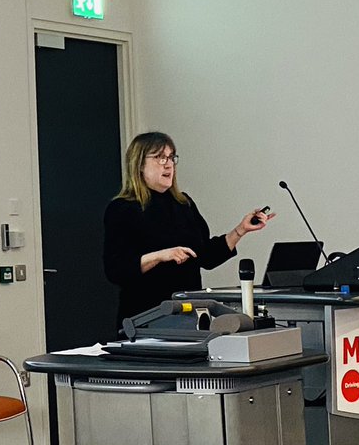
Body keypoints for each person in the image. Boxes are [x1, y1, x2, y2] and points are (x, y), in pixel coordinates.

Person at [102, 131, 273, 329]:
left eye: (171, 157)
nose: (168, 164)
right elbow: (116, 270)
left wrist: (240, 230)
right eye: (159, 157)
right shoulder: (123, 209)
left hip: (187, 315)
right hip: (145, 317)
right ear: (139, 165)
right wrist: (160, 256)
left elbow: (205, 256)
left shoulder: (184, 204)